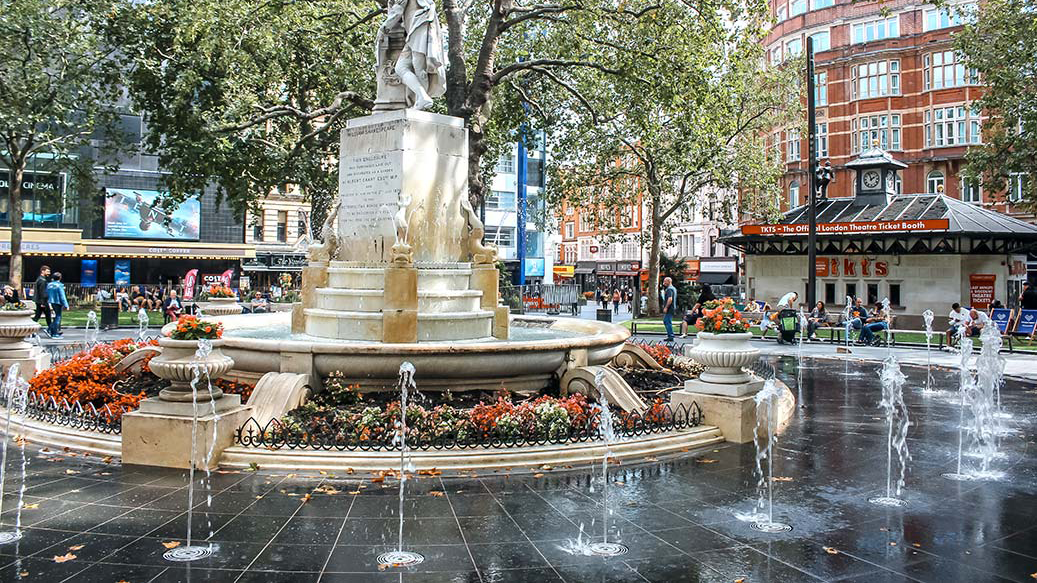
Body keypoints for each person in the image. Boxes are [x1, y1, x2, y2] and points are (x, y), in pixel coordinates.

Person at [46, 271, 69, 339]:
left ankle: (51, 330)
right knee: (58, 317)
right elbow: (62, 296)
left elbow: (46, 293)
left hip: (51, 302)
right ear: (60, 278)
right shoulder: (60, 285)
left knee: (56, 316)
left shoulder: (49, 285)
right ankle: (54, 333)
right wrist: (66, 305)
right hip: (58, 302)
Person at [33, 265, 52, 335]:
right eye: (47, 271)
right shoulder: (42, 280)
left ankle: (30, 329)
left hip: (39, 301)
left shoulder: (39, 279)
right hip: (42, 301)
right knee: (48, 316)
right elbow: (42, 292)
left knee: (38, 316)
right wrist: (43, 303)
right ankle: (51, 330)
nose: (49, 273)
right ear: (42, 271)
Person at [662, 276, 677, 341]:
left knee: (667, 321)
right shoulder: (673, 288)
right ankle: (670, 335)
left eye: (665, 281)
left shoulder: (669, 289)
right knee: (667, 321)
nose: (663, 283)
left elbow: (670, 299)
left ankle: (670, 335)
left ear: (669, 281)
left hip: (670, 308)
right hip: (672, 308)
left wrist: (666, 307)